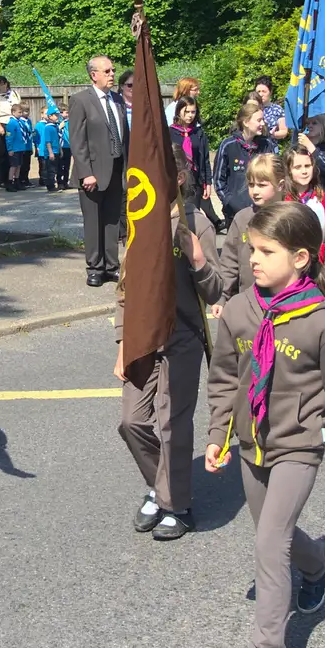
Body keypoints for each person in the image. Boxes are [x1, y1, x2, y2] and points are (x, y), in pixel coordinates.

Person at [205, 201, 325, 648]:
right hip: (252, 441)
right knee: (274, 533)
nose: (253, 259)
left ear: (300, 258)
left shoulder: (323, 324)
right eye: (251, 249)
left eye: (266, 251)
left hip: (299, 445)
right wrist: (218, 434)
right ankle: (319, 562)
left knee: (269, 543)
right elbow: (226, 379)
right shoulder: (238, 311)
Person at [114, 199, 223, 541]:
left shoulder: (196, 224)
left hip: (183, 337)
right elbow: (126, 290)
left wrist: (199, 261)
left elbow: (216, 288)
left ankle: (178, 506)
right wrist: (122, 344)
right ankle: (160, 487)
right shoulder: (140, 220)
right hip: (142, 340)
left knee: (172, 422)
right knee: (132, 422)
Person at [69, 56, 130, 287]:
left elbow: (124, 137)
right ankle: (95, 267)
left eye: (113, 70)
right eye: (107, 71)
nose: (112, 74)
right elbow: (77, 140)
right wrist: (86, 173)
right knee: (94, 222)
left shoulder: (117, 99)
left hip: (116, 169)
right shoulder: (80, 101)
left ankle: (111, 266)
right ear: (94, 74)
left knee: (113, 221)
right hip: (92, 173)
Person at [215, 153, 287, 301]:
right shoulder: (242, 219)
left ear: (280, 185)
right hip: (248, 301)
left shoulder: (292, 218)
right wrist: (222, 296)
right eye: (251, 184)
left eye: (262, 185)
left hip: (284, 302)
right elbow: (229, 262)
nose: (255, 191)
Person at [213, 100, 270, 229]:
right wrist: (230, 202)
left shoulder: (266, 145)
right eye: (259, 120)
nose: (263, 123)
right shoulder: (228, 145)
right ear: (245, 122)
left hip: (261, 213)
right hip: (234, 213)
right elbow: (218, 180)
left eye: (263, 120)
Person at [169, 96, 216, 226]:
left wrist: (207, 182)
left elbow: (204, 159)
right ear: (179, 111)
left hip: (195, 181)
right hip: (176, 180)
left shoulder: (198, 133)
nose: (190, 115)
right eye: (187, 111)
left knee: (191, 217)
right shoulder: (170, 132)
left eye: (193, 112)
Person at [286, 142, 325, 233]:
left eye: (307, 166)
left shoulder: (322, 198)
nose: (304, 171)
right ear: (289, 171)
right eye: (297, 167)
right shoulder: (284, 199)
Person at [250, 77, 289, 147]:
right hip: (252, 147)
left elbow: (284, 131)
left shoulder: (277, 109)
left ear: (270, 92)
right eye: (258, 91)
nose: (261, 94)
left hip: (270, 148)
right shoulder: (251, 108)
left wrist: (274, 135)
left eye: (264, 91)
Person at [4, 102, 33, 191]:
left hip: (21, 147)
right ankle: (10, 182)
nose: (21, 114)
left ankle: (17, 181)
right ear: (13, 112)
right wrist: (10, 148)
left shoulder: (20, 122)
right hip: (15, 148)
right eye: (19, 112)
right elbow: (9, 137)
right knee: (13, 166)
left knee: (19, 165)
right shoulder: (11, 123)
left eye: (21, 112)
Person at [33, 109, 63, 192]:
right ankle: (51, 186)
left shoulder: (55, 126)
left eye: (58, 115)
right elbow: (48, 141)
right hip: (51, 152)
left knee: (54, 169)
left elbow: (58, 139)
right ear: (50, 116)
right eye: (55, 115)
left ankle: (53, 184)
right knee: (50, 170)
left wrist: (60, 150)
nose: (57, 117)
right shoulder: (48, 128)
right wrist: (50, 152)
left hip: (56, 150)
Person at [58, 106, 72, 190]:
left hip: (68, 146)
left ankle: (65, 182)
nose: (67, 114)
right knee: (60, 165)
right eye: (65, 112)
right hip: (60, 146)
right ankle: (60, 182)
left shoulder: (69, 122)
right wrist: (59, 126)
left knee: (67, 165)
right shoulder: (57, 123)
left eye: (68, 112)